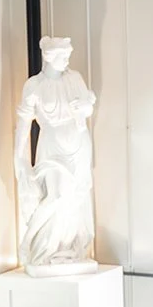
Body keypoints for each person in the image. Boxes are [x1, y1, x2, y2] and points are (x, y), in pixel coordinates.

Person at [14, 36, 97, 273]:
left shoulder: (75, 78)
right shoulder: (34, 86)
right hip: (52, 147)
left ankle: (66, 247)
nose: (67, 61)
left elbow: (87, 107)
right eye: (63, 57)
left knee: (75, 200)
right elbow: (24, 123)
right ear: (49, 57)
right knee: (57, 196)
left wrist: (86, 107)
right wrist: (18, 157)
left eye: (68, 56)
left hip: (79, 144)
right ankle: (29, 241)